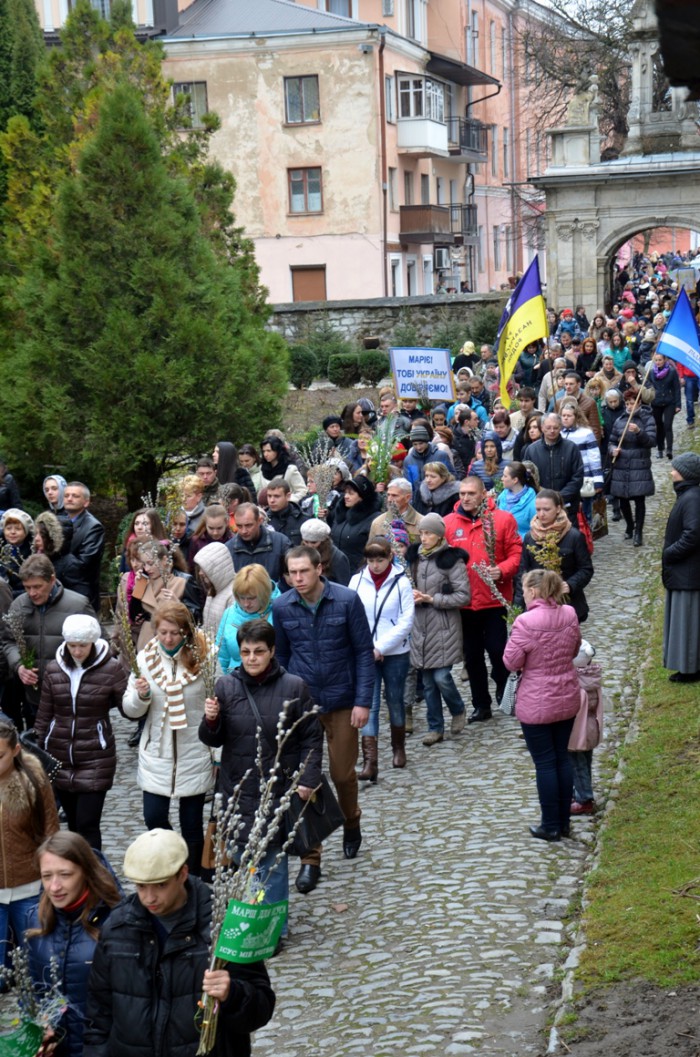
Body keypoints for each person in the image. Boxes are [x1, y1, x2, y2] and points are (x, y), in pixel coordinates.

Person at [83, 828, 275, 1057]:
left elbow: (261, 1007)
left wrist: (233, 993)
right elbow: (98, 1015)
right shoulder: (117, 927)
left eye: (161, 885)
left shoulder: (224, 925)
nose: (149, 898)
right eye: (141, 886)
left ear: (182, 874)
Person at [199, 620, 322, 935]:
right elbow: (213, 740)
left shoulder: (294, 686)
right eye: (245, 652)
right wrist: (210, 721)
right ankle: (250, 919)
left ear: (272, 652)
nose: (251, 658)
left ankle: (273, 930)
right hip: (238, 789)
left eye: (258, 652)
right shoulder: (226, 687)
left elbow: (311, 735)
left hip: (276, 788)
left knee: (271, 863)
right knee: (241, 858)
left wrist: (308, 778)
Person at [273, 545, 374, 893]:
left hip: (344, 699)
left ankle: (351, 820)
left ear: (319, 569)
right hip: (305, 704)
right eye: (292, 573)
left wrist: (363, 701)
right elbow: (282, 657)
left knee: (343, 774)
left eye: (303, 571)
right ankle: (310, 857)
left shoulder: (346, 601)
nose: (298, 578)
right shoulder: (282, 606)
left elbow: (363, 651)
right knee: (306, 780)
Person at [122, 602, 216, 875]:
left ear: (185, 632)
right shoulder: (145, 661)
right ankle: (177, 860)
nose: (168, 639)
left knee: (192, 825)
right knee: (154, 817)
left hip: (194, 751)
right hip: (157, 752)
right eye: (162, 632)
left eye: (174, 633)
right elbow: (130, 709)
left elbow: (221, 705)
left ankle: (194, 877)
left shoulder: (206, 658)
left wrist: (217, 753)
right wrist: (141, 696)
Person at [35, 614, 128, 850]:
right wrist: (40, 745)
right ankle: (78, 874)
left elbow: (129, 709)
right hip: (60, 756)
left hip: (96, 755)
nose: (77, 651)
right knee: (73, 825)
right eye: (72, 646)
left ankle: (94, 871)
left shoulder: (111, 669)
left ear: (93, 643)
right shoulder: (54, 669)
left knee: (88, 823)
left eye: (83, 646)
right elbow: (45, 711)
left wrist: (140, 695)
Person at [26, 832, 122, 1057]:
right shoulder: (35, 918)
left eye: (65, 875)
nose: (54, 886)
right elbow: (32, 991)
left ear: (86, 872)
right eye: (46, 876)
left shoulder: (117, 922)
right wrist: (39, 1028)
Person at [503, 569, 581, 842]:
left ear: (534, 591)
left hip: (537, 701)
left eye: (524, 590)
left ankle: (550, 825)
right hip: (567, 694)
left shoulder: (525, 622)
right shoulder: (569, 614)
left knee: (545, 763)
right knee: (562, 758)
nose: (522, 594)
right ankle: (564, 822)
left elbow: (511, 662)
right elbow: (574, 650)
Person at [444, 476, 522, 722]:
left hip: (494, 599)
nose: (465, 498)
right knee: (472, 655)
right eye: (462, 494)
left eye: (470, 493)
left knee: (498, 650)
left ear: (483, 495)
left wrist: (503, 569)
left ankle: (502, 685)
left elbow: (516, 552)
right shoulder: (449, 523)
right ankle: (481, 704)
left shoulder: (502, 520)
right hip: (465, 604)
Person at [1, 555, 96, 728]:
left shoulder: (77, 605)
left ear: (52, 579)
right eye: (27, 587)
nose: (32, 593)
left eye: (37, 586)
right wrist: (19, 665)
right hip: (34, 696)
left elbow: (100, 645)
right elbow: (8, 642)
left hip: (71, 694)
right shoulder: (18, 605)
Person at [349, 537, 414, 777]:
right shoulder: (356, 581)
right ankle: (370, 761)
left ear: (389, 558)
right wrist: (365, 648)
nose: (375, 565)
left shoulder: (401, 583)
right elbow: (351, 615)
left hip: (395, 651)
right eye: (371, 560)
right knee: (369, 704)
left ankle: (399, 748)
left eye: (380, 560)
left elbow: (406, 621)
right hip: (365, 652)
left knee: (395, 700)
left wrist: (382, 647)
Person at [0, 717, 59, 969]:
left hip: (29, 886)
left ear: (15, 750)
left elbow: (50, 829)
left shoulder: (33, 780)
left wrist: (49, 876)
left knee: (39, 962)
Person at [406, 515, 469, 746]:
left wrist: (432, 598)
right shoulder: (413, 558)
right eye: (421, 533)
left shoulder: (451, 560)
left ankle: (458, 707)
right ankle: (435, 727)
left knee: (442, 677)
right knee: (429, 682)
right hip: (420, 626)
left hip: (444, 626)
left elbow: (463, 595)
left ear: (439, 535)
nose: (424, 538)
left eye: (429, 533)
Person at [516, 489, 594, 623]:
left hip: (567, 603)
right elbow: (523, 571)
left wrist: (570, 585)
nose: (541, 514)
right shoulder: (530, 537)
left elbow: (586, 569)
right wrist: (518, 604)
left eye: (546, 509)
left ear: (558, 508)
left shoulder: (573, 536)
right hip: (537, 606)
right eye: (538, 509)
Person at [662, 453, 700, 683]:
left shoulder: (692, 498)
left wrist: (670, 552)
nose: (671, 472)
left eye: (675, 469)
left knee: (687, 622)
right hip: (685, 571)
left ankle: (690, 668)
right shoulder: (689, 495)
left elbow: (693, 534)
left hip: (687, 572)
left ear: (685, 473)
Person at [132, 540, 204, 649]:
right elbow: (134, 615)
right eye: (144, 564)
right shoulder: (143, 581)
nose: (147, 568)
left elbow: (197, 618)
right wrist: (138, 588)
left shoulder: (182, 581)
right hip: (147, 640)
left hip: (173, 640)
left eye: (151, 563)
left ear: (164, 560)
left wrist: (178, 605)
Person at [608, 388, 656, 547]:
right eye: (627, 403)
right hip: (621, 464)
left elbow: (650, 441)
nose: (629, 406)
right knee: (622, 499)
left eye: (632, 403)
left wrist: (639, 432)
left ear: (639, 403)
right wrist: (612, 450)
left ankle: (638, 532)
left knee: (639, 499)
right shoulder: (620, 420)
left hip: (638, 464)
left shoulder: (647, 418)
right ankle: (629, 524)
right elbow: (612, 441)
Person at [216, 564, 279, 675]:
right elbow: (221, 657)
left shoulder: (279, 610)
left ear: (264, 594)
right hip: (235, 681)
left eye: (251, 598)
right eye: (241, 597)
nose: (246, 604)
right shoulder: (229, 613)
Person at [522, 413, 584, 519]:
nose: (552, 431)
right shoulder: (532, 450)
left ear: (560, 427)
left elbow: (577, 477)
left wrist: (559, 497)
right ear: (542, 428)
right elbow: (527, 478)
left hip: (567, 506)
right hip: (541, 507)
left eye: (555, 427)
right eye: (548, 427)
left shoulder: (571, 448)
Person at [58, 483, 105, 613]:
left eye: (75, 496)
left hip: (81, 593)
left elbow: (84, 564)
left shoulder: (93, 527)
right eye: (66, 495)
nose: (69, 499)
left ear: (86, 502)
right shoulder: (59, 520)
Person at [226, 502, 290, 583]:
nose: (244, 531)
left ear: (260, 521)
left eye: (248, 525)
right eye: (239, 526)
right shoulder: (228, 550)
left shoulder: (281, 543)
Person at [329, 475, 381, 573]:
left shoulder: (374, 519)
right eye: (345, 492)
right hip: (334, 571)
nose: (346, 497)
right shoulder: (340, 513)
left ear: (362, 496)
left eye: (351, 493)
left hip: (357, 573)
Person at [192, 541, 235, 634]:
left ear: (216, 567)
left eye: (204, 568)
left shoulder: (233, 595)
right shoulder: (213, 588)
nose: (200, 573)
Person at [368, 477, 421, 544]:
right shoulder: (377, 523)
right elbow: (371, 552)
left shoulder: (422, 523)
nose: (389, 499)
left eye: (394, 495)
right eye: (388, 495)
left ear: (407, 498)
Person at [648, 352, 681, 460]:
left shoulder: (671, 371)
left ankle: (669, 449)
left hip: (669, 402)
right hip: (656, 402)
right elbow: (648, 386)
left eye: (660, 360)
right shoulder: (651, 372)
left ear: (664, 360)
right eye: (656, 360)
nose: (658, 362)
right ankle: (660, 449)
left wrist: (678, 404)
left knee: (667, 425)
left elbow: (677, 388)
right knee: (659, 426)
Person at [299, 518, 351, 586]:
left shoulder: (338, 558)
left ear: (323, 541)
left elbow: (344, 585)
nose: (309, 546)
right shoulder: (301, 553)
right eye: (306, 542)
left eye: (313, 542)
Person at [496, 462, 537, 540]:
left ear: (515, 480)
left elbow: (536, 531)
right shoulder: (501, 497)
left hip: (523, 547)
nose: (502, 478)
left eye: (505, 476)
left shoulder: (533, 503)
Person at [187, 503, 233, 572]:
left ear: (226, 523)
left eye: (219, 528)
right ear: (205, 524)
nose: (215, 532)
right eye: (211, 528)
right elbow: (191, 568)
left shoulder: (233, 541)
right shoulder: (196, 541)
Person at [260, 436, 307, 503]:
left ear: (277, 451)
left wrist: (286, 500)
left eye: (269, 451)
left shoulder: (290, 469)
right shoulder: (262, 469)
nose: (265, 454)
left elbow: (302, 492)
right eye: (263, 451)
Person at [265, 476, 309, 546]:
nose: (272, 500)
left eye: (277, 496)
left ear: (288, 496)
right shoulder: (263, 520)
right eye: (269, 496)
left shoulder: (304, 520)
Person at [0, 509, 35, 596]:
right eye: (8, 528)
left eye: (18, 529)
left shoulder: (33, 552)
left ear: (25, 532)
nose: (12, 532)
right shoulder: (1, 547)